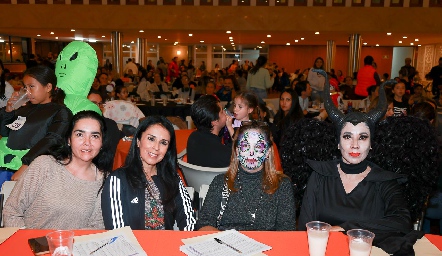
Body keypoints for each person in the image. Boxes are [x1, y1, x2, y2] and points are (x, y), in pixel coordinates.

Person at [299, 70, 414, 253]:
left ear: (371, 145)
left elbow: (401, 222)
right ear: (338, 143)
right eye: (347, 136)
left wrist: (347, 227)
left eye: (362, 137)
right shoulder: (320, 175)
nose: (354, 145)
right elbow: (303, 229)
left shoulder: (383, 181)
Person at [4, 111, 112, 229]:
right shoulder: (45, 165)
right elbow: (11, 211)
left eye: (95, 136)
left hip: (72, 246)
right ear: (69, 140)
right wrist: (29, 244)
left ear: (101, 143)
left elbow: (96, 227)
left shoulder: (104, 182)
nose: (87, 142)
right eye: (80, 134)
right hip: (28, 243)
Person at [196, 121, 296, 231]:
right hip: (227, 245)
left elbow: (287, 231)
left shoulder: (282, 185)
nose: (251, 152)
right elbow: (204, 224)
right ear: (237, 151)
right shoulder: (221, 182)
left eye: (258, 146)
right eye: (245, 146)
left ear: (268, 152)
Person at [101, 116, 196, 230]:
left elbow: (189, 220)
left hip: (166, 245)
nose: (156, 147)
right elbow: (117, 232)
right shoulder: (118, 180)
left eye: (163, 143)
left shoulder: (172, 178)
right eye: (151, 139)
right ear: (138, 141)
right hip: (132, 246)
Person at [0, 65, 73, 183]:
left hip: (32, 167)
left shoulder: (61, 112)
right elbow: (5, 132)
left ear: (48, 87)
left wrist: (27, 164)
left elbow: (53, 139)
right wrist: (8, 111)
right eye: (25, 87)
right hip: (5, 163)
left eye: (31, 86)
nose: (27, 92)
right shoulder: (24, 108)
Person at [187, 95, 231, 168]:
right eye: (222, 111)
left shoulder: (193, 137)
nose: (226, 113)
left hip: (194, 179)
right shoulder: (225, 153)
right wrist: (230, 130)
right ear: (215, 121)